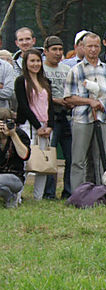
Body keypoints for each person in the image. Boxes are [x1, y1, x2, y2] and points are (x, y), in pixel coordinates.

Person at [64, 33, 106, 189]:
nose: (93, 50)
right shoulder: (75, 70)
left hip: (105, 118)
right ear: (82, 47)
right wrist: (89, 101)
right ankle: (78, 193)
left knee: (101, 157)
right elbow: (68, 98)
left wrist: (100, 101)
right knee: (79, 159)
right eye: (89, 46)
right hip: (82, 119)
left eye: (96, 46)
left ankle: (101, 191)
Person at [15, 49, 54, 200]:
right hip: (28, 127)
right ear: (26, 63)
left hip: (45, 127)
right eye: (32, 61)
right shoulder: (21, 81)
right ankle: (17, 196)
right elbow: (24, 106)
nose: (35, 64)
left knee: (43, 162)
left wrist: (49, 125)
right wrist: (38, 126)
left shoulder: (45, 81)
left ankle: (38, 197)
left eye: (38, 61)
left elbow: (50, 105)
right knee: (25, 162)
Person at [42, 36, 72, 199]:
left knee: (70, 155)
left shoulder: (67, 69)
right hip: (50, 116)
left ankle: (68, 191)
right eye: (54, 49)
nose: (58, 53)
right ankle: (49, 193)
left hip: (66, 115)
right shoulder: (42, 69)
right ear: (46, 51)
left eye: (60, 49)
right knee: (51, 155)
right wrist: (56, 100)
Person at [0, 109, 30, 207]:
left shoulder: (20, 134)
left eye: (7, 122)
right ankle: (10, 197)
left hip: (15, 177)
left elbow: (24, 156)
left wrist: (13, 135)